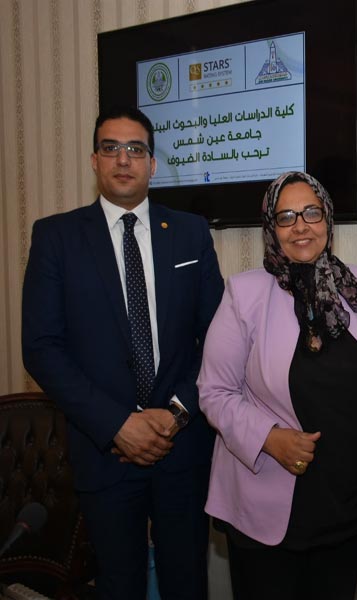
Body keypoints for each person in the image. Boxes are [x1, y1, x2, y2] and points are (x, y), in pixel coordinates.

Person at [21, 106, 225, 599]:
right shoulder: (56, 238)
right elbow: (42, 348)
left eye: (136, 149)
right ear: (94, 160)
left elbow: (218, 338)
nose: (123, 159)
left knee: (187, 583)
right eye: (110, 148)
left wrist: (174, 415)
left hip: (181, 450)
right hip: (104, 451)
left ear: (153, 164)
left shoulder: (192, 231)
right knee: (118, 584)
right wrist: (118, 424)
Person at [198, 171, 357, 599]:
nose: (301, 225)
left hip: (349, 500)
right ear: (271, 228)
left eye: (311, 212)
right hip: (268, 500)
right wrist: (269, 438)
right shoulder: (244, 293)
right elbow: (214, 392)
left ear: (327, 219)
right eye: (286, 216)